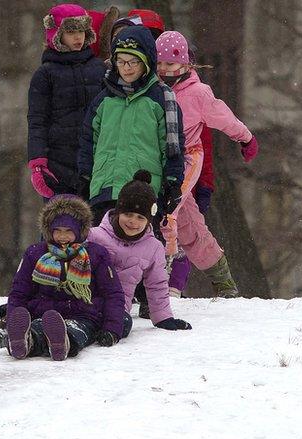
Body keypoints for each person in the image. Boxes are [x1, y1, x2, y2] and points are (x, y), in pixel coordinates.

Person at [155, 30, 257, 298]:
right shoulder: (152, 88)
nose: (164, 69)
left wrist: (245, 137)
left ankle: (165, 274)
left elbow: (223, 117)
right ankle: (222, 280)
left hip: (188, 156)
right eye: (160, 64)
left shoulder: (198, 93)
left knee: (168, 212)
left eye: (171, 63)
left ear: (186, 64)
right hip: (159, 160)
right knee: (189, 223)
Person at [77, 24, 186, 224]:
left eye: (133, 61)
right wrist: (85, 175)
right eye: (121, 61)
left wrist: (173, 181)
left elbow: (172, 146)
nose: (126, 68)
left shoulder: (162, 99)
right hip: (105, 189)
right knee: (104, 249)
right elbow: (88, 140)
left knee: (140, 251)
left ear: (146, 63)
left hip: (144, 192)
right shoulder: (103, 100)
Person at [6, 194, 126, 360]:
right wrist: (13, 317)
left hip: (83, 313)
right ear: (49, 230)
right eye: (58, 231)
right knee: (38, 327)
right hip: (46, 312)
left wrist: (112, 328)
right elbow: (19, 292)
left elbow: (112, 293)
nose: (63, 237)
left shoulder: (95, 254)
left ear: (80, 230)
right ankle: (23, 341)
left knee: (78, 330)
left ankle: (64, 342)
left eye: (69, 231)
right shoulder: (36, 253)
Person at [87, 170, 192, 331]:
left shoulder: (152, 247)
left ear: (149, 219)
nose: (133, 222)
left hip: (117, 311)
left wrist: (163, 317)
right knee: (82, 320)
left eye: (140, 217)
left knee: (123, 324)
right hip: (84, 302)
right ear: (118, 212)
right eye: (128, 214)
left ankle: (91, 334)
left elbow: (157, 284)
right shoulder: (94, 236)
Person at [28, 4, 107, 198]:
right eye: (71, 32)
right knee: (62, 226)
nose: (78, 37)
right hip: (58, 168)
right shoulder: (45, 74)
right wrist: (38, 163)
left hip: (96, 164)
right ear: (57, 34)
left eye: (81, 31)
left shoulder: (99, 69)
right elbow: (37, 121)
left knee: (98, 228)